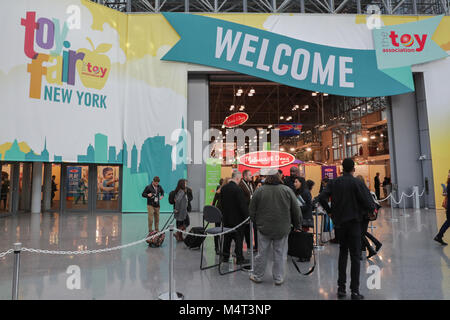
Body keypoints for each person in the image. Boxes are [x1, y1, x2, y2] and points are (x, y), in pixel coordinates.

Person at [318, 158, 375, 300]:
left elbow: (321, 197)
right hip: (355, 224)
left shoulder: (334, 182)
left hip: (340, 224)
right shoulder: (357, 183)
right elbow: (370, 204)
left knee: (342, 253)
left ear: (341, 168)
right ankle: (354, 291)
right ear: (353, 169)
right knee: (355, 256)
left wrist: (330, 211)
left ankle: (341, 289)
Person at [249, 168, 302, 285]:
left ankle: (257, 276)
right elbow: (296, 210)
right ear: (279, 177)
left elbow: (251, 210)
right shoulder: (287, 190)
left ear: (267, 177)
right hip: (282, 228)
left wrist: (256, 223)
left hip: (263, 228)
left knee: (262, 253)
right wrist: (297, 225)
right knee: (280, 254)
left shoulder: (259, 191)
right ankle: (278, 278)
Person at [220, 170, 249, 265]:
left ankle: (225, 256)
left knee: (227, 238)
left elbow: (221, 204)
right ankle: (239, 258)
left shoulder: (223, 188)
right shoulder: (238, 189)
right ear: (237, 178)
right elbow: (242, 206)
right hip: (237, 221)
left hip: (226, 218)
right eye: (240, 179)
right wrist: (247, 217)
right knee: (239, 239)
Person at [356, 175, 382, 259]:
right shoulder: (367, 190)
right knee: (362, 232)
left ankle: (371, 248)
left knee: (360, 233)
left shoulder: (361, 191)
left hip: (363, 214)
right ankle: (375, 244)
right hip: (366, 215)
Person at [239, 170, 257, 252]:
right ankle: (240, 247)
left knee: (248, 229)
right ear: (245, 176)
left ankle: (250, 245)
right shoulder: (241, 184)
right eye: (250, 175)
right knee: (243, 229)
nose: (251, 176)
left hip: (250, 210)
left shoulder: (251, 183)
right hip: (244, 210)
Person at [212, 178, 229, 254]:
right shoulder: (221, 190)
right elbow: (215, 200)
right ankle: (217, 248)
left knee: (220, 229)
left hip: (221, 211)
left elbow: (214, 201)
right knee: (218, 229)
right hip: (221, 211)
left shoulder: (220, 190)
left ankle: (218, 248)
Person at [434, 171, 450, 245]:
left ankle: (439, 236)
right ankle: (439, 236)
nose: (449, 175)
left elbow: (445, 194)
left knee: (448, 222)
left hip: (449, 207)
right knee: (448, 222)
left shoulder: (449, 184)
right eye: (449, 173)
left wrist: (445, 191)